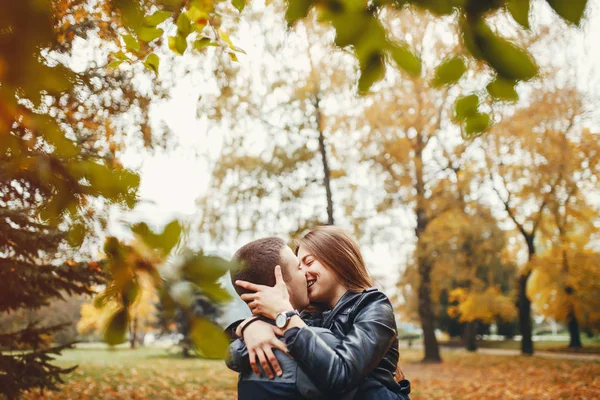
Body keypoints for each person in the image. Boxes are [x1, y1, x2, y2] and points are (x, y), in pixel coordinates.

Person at [233, 226, 411, 399]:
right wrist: (251, 325)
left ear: (338, 260)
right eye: (298, 266)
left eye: (308, 262)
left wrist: (286, 316)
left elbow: (343, 375)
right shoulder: (309, 315)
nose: (302, 273)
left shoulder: (374, 305)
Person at [226, 237, 351, 399]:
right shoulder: (318, 341)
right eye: (299, 267)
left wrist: (248, 325)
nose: (306, 274)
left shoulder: (242, 346)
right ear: (280, 283)